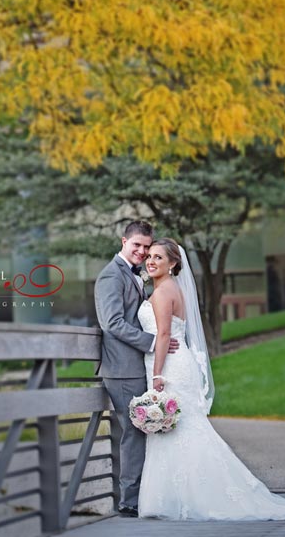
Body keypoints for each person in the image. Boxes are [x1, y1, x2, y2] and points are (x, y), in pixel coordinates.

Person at [138, 237, 285, 521]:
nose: (151, 261)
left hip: (168, 368)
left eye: (158, 257)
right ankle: (182, 495)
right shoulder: (173, 289)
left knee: (177, 429)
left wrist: (157, 375)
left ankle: (181, 498)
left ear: (173, 263)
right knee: (182, 428)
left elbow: (165, 335)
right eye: (150, 256)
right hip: (179, 364)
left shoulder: (161, 293)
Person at [94, 221, 179, 518]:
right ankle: (129, 501)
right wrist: (153, 342)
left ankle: (142, 495)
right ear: (124, 241)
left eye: (147, 246)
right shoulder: (110, 276)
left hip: (134, 366)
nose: (143, 252)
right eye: (137, 246)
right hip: (121, 369)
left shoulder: (135, 276)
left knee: (141, 430)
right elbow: (112, 323)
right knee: (133, 431)